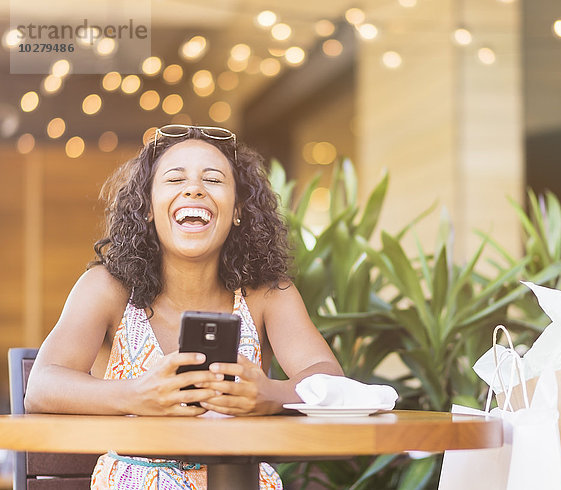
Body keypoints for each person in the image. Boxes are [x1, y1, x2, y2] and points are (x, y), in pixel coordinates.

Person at [25, 125, 344, 489]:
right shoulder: (107, 288)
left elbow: (328, 378)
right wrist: (136, 395)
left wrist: (271, 395)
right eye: (175, 179)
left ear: (238, 209)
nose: (194, 189)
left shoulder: (267, 294)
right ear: (147, 207)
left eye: (213, 179)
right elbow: (41, 387)